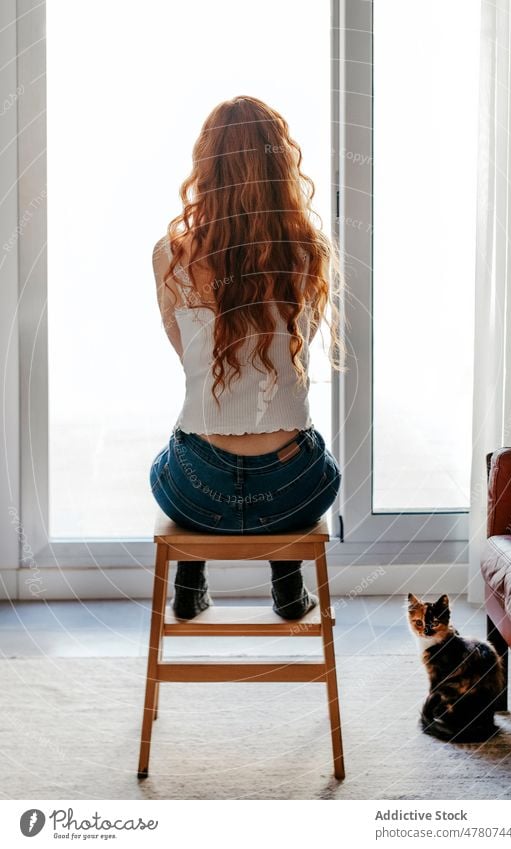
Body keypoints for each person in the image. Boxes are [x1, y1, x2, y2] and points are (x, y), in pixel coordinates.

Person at [150, 95, 345, 621]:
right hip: (292, 492)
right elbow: (296, 355)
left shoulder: (171, 255)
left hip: (198, 493)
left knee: (170, 456)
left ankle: (188, 583)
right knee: (313, 454)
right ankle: (287, 584)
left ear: (206, 168)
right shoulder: (310, 252)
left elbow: (186, 357)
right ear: (280, 166)